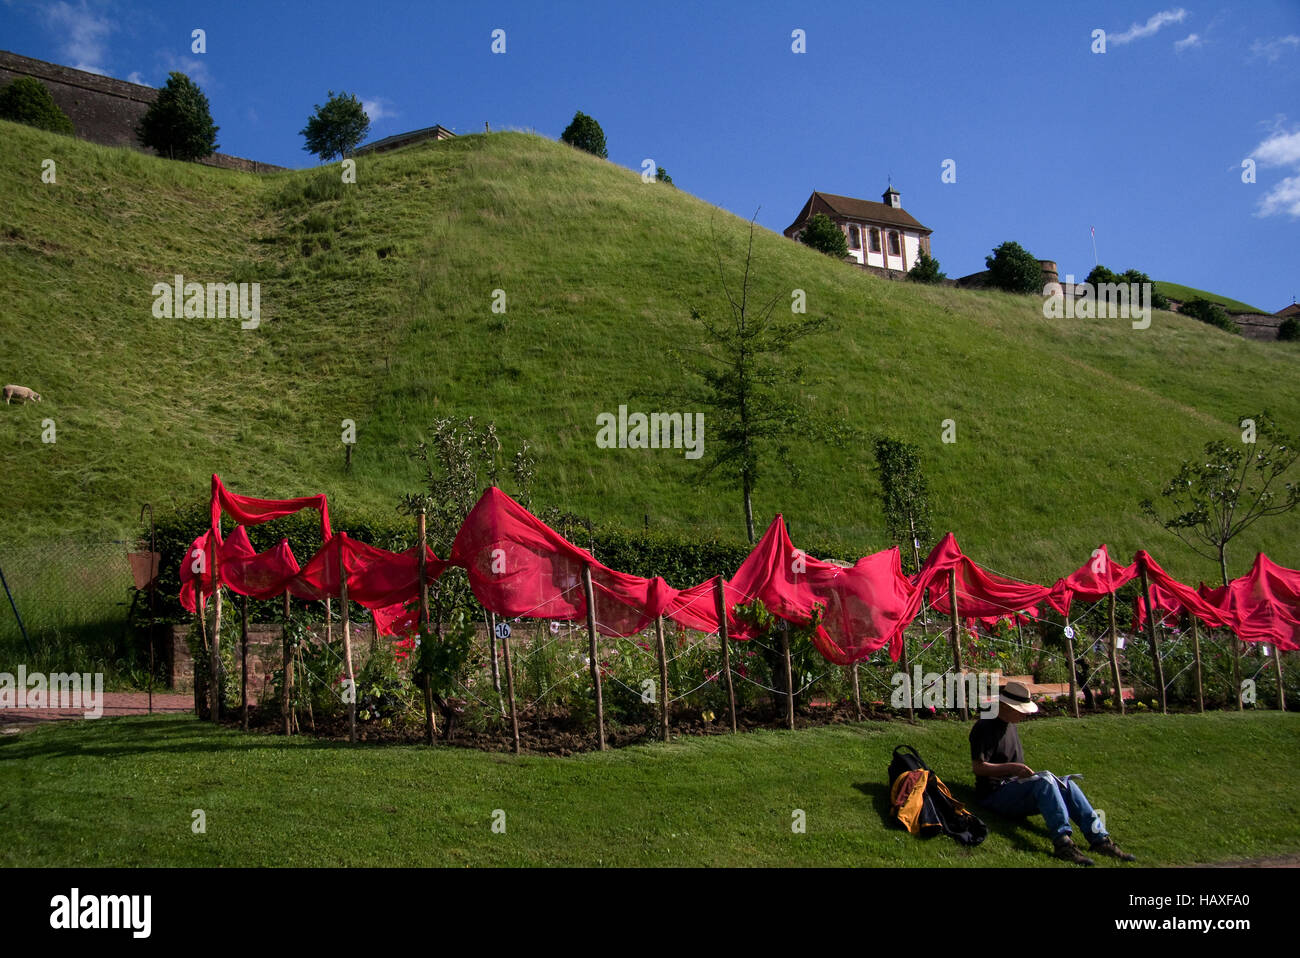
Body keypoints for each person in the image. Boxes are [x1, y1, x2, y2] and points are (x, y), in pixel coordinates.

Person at [969, 681, 1135, 865]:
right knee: (1044, 783)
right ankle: (1063, 842)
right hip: (994, 794)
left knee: (1067, 784)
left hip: (1015, 787)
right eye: (1021, 710)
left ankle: (1100, 839)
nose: (1024, 715)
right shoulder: (985, 726)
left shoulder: (1010, 724)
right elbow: (979, 767)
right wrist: (1013, 768)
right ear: (1007, 706)